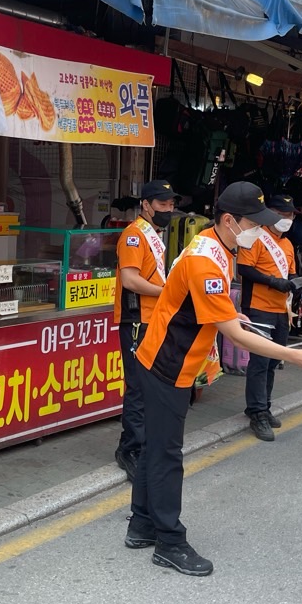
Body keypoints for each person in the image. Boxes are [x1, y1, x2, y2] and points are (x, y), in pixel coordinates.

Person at [127, 181, 302, 577]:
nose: (260, 231)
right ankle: (169, 541)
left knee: (156, 447)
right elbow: (235, 336)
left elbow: (195, 301)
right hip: (169, 363)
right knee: (167, 454)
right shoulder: (208, 259)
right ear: (230, 221)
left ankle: (142, 524)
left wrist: (229, 312)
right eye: (254, 224)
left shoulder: (214, 244)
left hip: (164, 357)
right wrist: (294, 355)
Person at [113, 180, 178, 481]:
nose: (168, 209)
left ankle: (141, 444)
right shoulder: (134, 235)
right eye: (162, 204)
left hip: (154, 319)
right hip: (137, 320)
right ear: (146, 205)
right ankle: (129, 449)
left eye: (171, 204)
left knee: (150, 387)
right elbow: (130, 280)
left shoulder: (153, 235)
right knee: (138, 388)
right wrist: (166, 292)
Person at [237, 194, 299, 442]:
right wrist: (272, 281)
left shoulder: (288, 244)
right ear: (270, 213)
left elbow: (291, 274)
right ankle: (257, 412)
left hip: (281, 309)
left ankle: (264, 405)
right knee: (260, 362)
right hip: (258, 307)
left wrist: (298, 285)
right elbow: (244, 269)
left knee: (274, 360)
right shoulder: (255, 237)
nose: (287, 219)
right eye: (282, 214)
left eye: (290, 215)